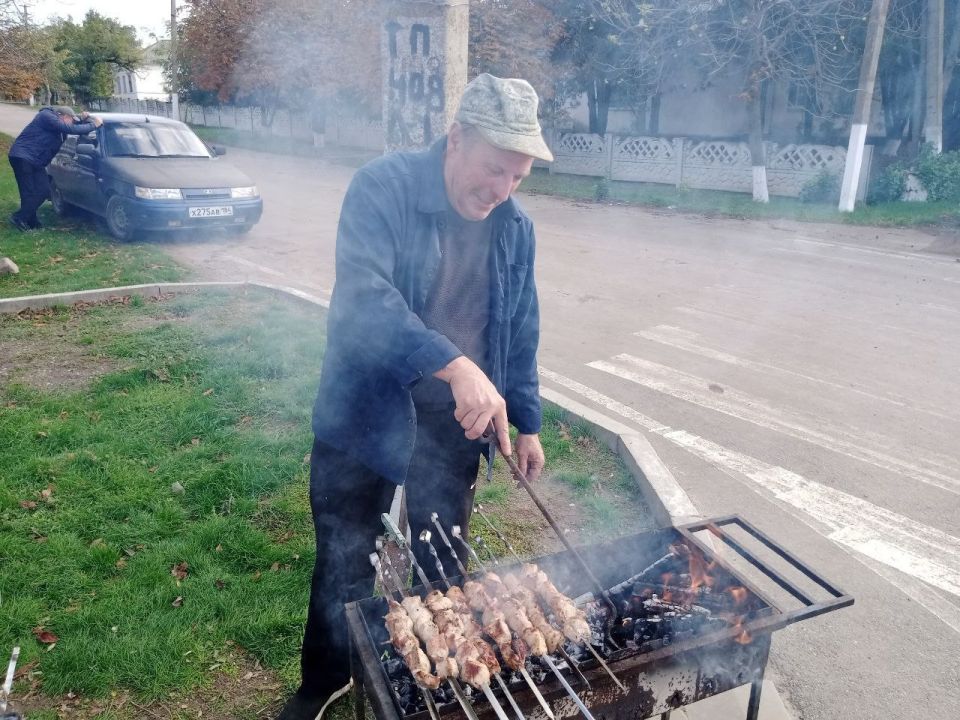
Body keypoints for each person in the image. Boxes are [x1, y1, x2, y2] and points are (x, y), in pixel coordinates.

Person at [278, 74, 554, 720]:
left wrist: (529, 419)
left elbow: (520, 325)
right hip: (366, 412)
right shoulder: (383, 188)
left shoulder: (515, 227)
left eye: (517, 178)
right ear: (455, 139)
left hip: (453, 425)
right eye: (493, 171)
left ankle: (434, 685)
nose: (501, 192)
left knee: (442, 563)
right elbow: (362, 302)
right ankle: (326, 681)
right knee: (345, 561)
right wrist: (452, 364)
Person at [7, 105, 102, 231]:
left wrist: (85, 119)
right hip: (23, 157)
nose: (72, 123)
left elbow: (75, 128)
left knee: (44, 190)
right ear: (64, 116)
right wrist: (94, 125)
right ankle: (20, 218)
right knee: (29, 191)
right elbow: (69, 128)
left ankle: (29, 219)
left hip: (36, 160)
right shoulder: (46, 116)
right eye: (71, 120)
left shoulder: (57, 122)